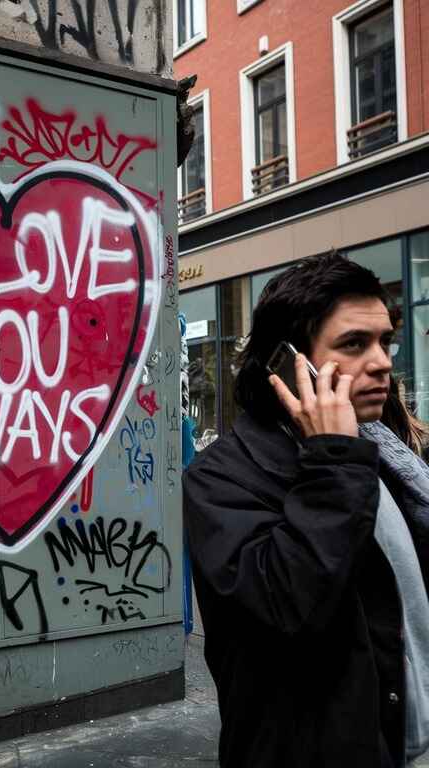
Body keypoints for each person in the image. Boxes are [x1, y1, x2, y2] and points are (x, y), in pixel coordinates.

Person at [183, 252, 429, 768]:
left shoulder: (384, 454)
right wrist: (332, 463)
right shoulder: (221, 478)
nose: (383, 360)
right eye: (354, 344)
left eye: (385, 340)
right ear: (289, 365)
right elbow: (285, 608)